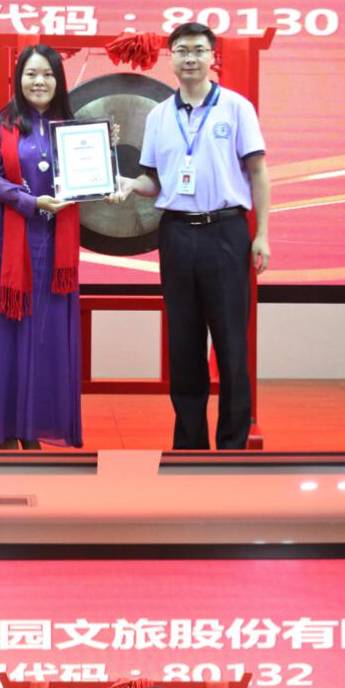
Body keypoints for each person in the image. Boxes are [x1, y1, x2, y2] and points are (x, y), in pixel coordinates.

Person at [109, 22, 271, 450]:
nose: (190, 58)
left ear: (212, 57)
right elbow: (154, 181)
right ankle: (189, 444)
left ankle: (232, 443)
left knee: (231, 345)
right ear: (172, 58)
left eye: (199, 50)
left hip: (226, 233)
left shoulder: (236, 108)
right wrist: (130, 184)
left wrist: (262, 235)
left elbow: (258, 172)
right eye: (182, 50)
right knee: (183, 343)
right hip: (177, 235)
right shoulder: (159, 115)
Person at [0, 43, 83, 450]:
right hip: (8, 247)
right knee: (8, 335)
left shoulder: (71, 128)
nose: (39, 81)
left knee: (45, 337)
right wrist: (31, 202)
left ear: (58, 80)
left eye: (47, 74)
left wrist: (104, 153)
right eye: (31, 74)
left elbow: (86, 178)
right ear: (18, 79)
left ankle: (32, 428)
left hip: (53, 248)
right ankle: (2, 429)